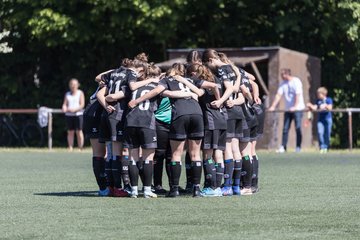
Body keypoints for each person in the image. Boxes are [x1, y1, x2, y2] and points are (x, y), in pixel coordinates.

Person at [269, 68, 305, 153]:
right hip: (288, 110)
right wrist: (273, 106)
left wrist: (295, 107)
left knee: (298, 128)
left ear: (287, 74)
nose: (281, 76)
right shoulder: (282, 84)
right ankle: (283, 147)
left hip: (298, 109)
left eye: (282, 74)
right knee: (285, 128)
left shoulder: (296, 81)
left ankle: (298, 147)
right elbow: (278, 95)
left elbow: (298, 95)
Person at [307, 87, 333, 153]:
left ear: (323, 94)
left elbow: (330, 108)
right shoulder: (318, 101)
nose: (318, 95)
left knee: (327, 133)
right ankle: (322, 147)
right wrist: (310, 105)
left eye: (319, 94)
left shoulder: (328, 100)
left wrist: (325, 106)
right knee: (320, 132)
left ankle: (326, 147)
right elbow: (315, 108)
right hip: (320, 119)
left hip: (327, 119)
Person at [62, 78, 85, 151]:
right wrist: (64, 107)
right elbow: (64, 104)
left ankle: (80, 148)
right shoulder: (67, 94)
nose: (73, 86)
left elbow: (82, 105)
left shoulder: (80, 93)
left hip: (78, 115)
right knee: (70, 132)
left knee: (79, 131)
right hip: (69, 115)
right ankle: (70, 147)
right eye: (71, 84)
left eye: (74, 84)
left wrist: (74, 110)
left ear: (78, 85)